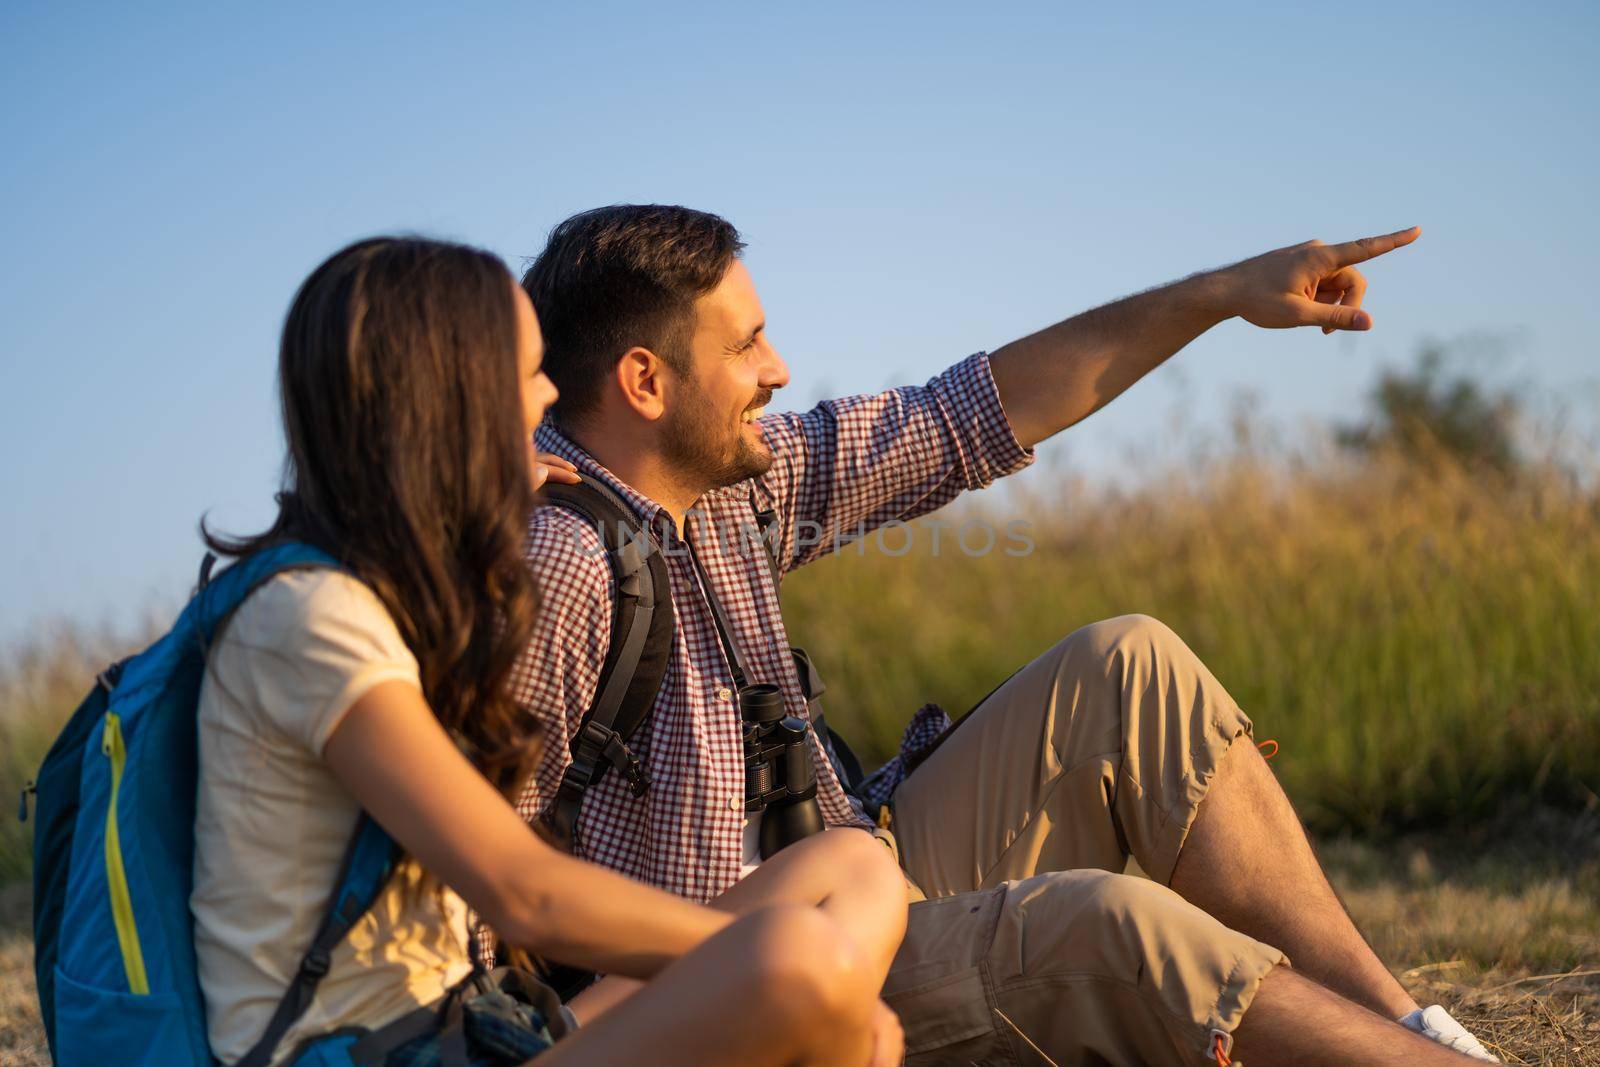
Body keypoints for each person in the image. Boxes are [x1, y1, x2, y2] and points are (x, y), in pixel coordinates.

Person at [507, 204, 1499, 1065]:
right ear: (644, 380)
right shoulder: (556, 559)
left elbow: (970, 411)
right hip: (749, 979)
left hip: (852, 869)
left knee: (1128, 668)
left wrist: (1218, 293)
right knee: (1107, 930)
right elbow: (473, 875)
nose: (778, 369)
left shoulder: (735, 488)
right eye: (744, 345)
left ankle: (1410, 1025)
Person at [192, 235, 908, 1067]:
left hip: (478, 1031)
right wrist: (764, 966)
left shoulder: (379, 589)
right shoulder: (308, 618)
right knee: (800, 961)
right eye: (531, 372)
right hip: (370, 1050)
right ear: (450, 398)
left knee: (854, 866)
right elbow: (521, 891)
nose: (550, 398)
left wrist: (465, 527)